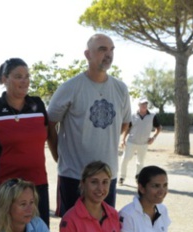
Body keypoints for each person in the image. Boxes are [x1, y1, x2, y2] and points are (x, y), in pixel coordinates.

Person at [47, 33, 131, 217]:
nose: (108, 54)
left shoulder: (120, 89)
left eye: (111, 50)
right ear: (88, 54)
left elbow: (124, 124)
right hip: (74, 176)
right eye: (102, 49)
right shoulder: (70, 87)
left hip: (107, 176)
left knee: (102, 231)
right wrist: (58, 156)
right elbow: (49, 124)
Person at [0, 58, 55, 227]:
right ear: (4, 79)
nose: (25, 81)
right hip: (6, 184)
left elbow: (46, 133)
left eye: (27, 76)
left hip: (38, 181)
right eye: (18, 76)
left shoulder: (37, 104)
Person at [118, 97, 162, 185]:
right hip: (131, 142)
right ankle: (122, 177)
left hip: (144, 143)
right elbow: (127, 128)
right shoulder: (133, 115)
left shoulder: (152, 116)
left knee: (140, 162)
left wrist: (153, 137)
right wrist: (123, 140)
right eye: (142, 104)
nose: (144, 106)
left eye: (145, 104)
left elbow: (159, 128)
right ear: (139, 105)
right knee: (125, 159)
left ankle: (138, 177)